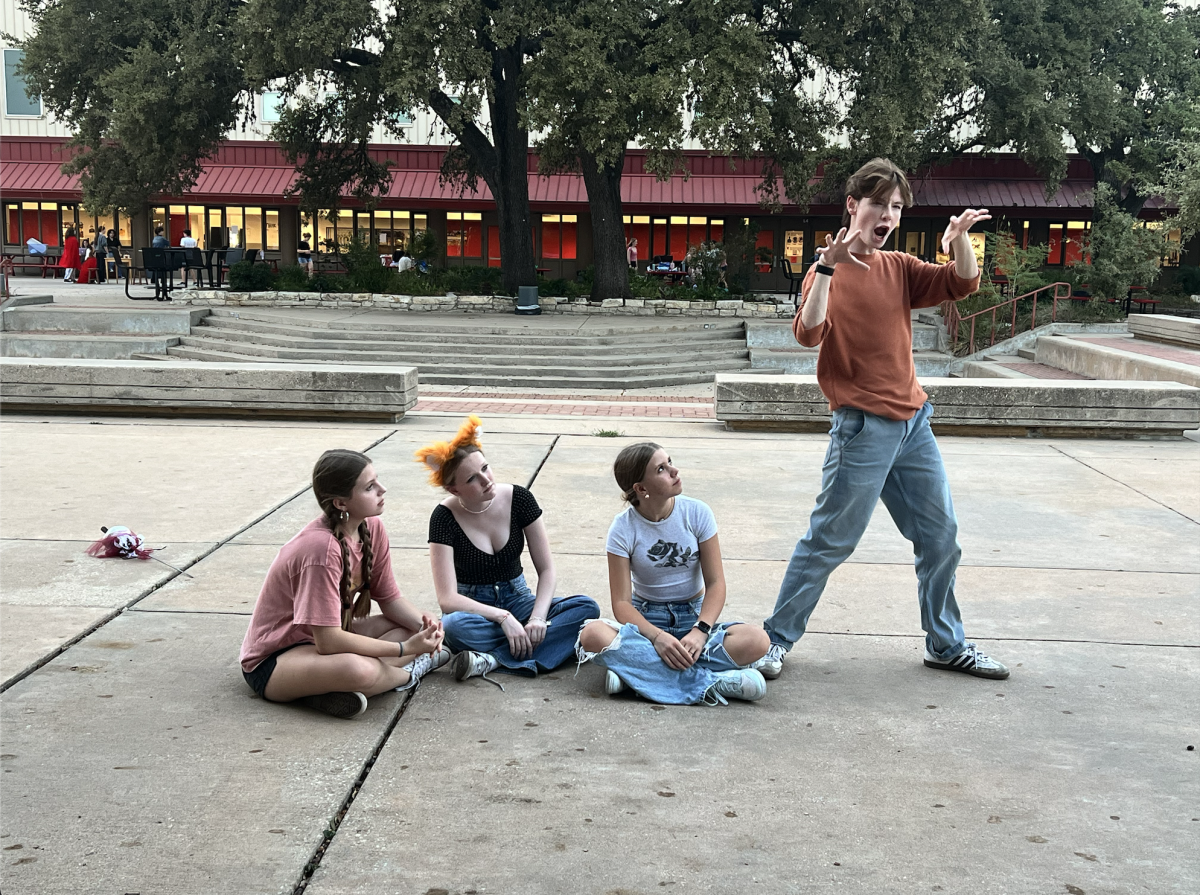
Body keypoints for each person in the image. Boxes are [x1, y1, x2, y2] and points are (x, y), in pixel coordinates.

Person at [754, 157, 1009, 682]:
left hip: (914, 424)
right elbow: (808, 333)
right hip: (862, 428)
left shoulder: (899, 268)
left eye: (896, 206)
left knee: (941, 538)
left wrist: (960, 238)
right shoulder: (825, 270)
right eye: (879, 204)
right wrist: (827, 267)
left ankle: (945, 644)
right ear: (854, 205)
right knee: (830, 541)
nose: (889, 214)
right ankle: (773, 640)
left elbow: (962, 283)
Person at [239, 449, 450, 719]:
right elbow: (328, 642)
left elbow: (389, 599)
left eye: (378, 481)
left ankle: (331, 693)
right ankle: (409, 672)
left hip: (327, 640)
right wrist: (406, 650)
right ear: (341, 503)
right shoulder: (321, 550)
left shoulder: (372, 527)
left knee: (407, 626)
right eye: (370, 487)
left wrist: (427, 627)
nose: (382, 489)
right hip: (276, 660)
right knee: (359, 669)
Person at [575, 443, 771, 705]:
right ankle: (714, 683)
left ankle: (638, 676)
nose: (675, 470)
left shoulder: (697, 512)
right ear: (641, 489)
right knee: (592, 635)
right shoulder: (623, 528)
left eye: (670, 462)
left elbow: (715, 583)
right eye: (661, 469)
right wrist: (657, 637)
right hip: (647, 621)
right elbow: (621, 602)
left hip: (694, 615)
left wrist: (701, 631)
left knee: (757, 641)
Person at [416, 416, 600, 689]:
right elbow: (448, 599)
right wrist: (503, 618)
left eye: (485, 468)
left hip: (519, 598)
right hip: (476, 609)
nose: (486, 480)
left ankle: (493, 660)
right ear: (453, 488)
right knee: (453, 627)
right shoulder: (443, 518)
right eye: (472, 479)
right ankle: (532, 649)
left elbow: (547, 570)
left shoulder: (520, 498)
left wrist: (537, 618)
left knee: (586, 609)